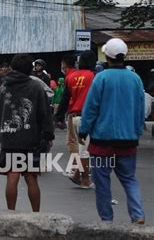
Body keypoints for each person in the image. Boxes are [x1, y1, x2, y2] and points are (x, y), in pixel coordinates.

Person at [79, 38, 145, 224]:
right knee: (129, 179)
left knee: (102, 183)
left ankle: (107, 219)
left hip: (102, 142)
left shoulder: (101, 78)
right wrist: (137, 131)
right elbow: (141, 108)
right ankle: (138, 215)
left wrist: (84, 130)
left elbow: (91, 108)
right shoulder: (135, 79)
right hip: (128, 140)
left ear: (107, 56)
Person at [0, 54, 54, 212]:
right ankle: (36, 215)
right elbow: (45, 114)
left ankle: (10, 213)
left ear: (12, 68)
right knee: (31, 177)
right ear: (30, 68)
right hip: (31, 139)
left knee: (12, 175)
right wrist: (48, 135)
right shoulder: (36, 86)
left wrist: (1, 135)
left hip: (8, 137)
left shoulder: (4, 86)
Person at [57, 51, 96, 188]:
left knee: (80, 147)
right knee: (85, 150)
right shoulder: (93, 76)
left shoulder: (71, 76)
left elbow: (65, 99)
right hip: (87, 116)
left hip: (73, 115)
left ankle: (77, 174)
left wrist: (59, 117)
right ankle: (84, 179)